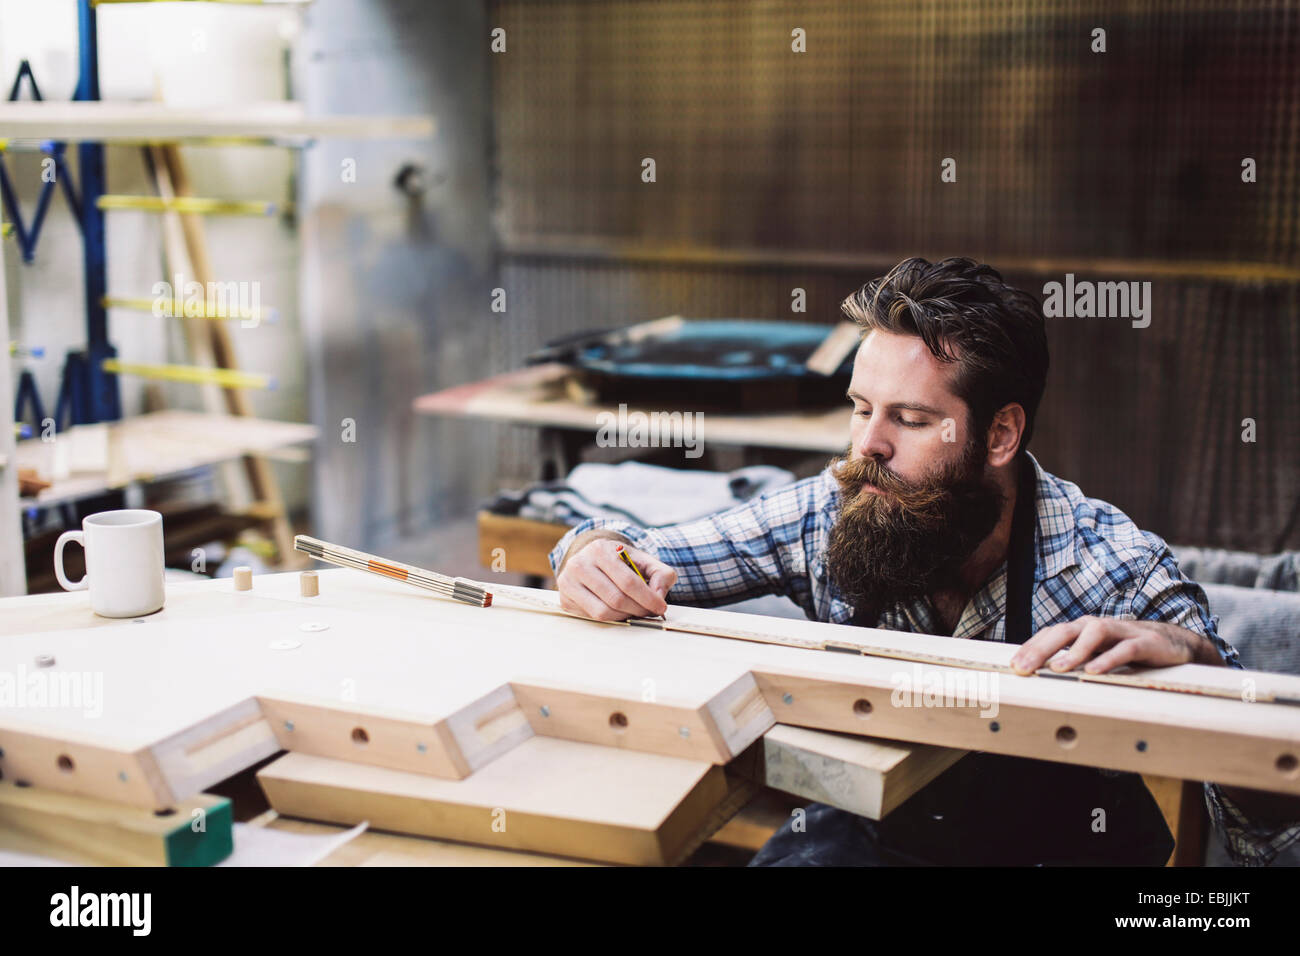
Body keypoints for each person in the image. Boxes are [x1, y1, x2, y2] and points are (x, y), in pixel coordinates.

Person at [548, 256, 1300, 866]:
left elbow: (1270, 835)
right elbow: (644, 551)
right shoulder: (833, 511)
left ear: (1001, 436)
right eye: (859, 408)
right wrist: (589, 553)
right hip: (867, 846)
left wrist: (1199, 663)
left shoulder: (1113, 572)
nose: (866, 445)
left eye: (910, 419)